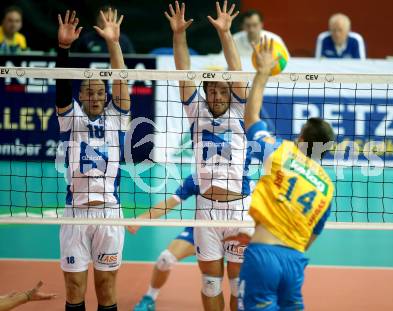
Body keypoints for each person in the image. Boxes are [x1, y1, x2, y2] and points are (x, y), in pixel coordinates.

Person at [165, 1, 253, 310]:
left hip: (240, 212)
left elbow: (238, 70)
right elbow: (183, 72)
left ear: (230, 93)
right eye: (211, 90)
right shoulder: (195, 111)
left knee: (239, 290)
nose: (215, 95)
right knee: (210, 284)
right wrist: (179, 36)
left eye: (221, 90)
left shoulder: (241, 110)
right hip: (206, 212)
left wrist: (226, 34)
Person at [237, 37, 335, 310]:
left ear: (302, 138)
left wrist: (263, 72)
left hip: (263, 257)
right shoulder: (327, 186)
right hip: (294, 262)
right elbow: (313, 233)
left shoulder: (281, 152)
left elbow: (251, 118)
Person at [56, 9, 130, 311]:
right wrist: (63, 49)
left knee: (106, 285)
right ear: (82, 96)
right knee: (74, 287)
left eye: (101, 92)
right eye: (90, 92)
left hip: (110, 213)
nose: (97, 97)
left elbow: (121, 80)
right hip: (75, 213)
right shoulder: (70, 117)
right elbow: (61, 86)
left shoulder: (117, 116)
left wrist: (114, 44)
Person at [128, 175, 199, 311]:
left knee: (224, 280)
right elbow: (169, 203)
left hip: (230, 232)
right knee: (165, 259)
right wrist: (142, 218)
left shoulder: (240, 177)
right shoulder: (196, 178)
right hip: (199, 231)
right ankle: (149, 298)